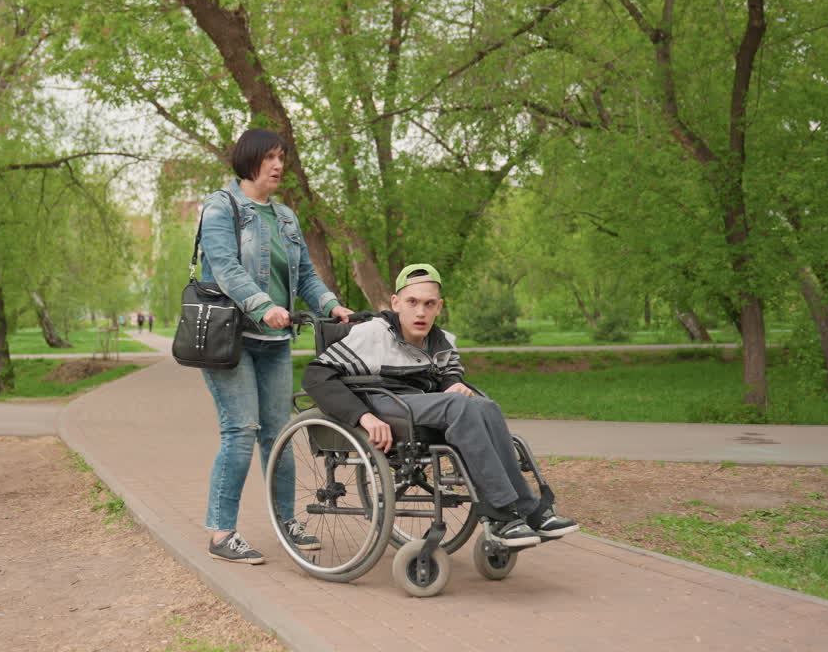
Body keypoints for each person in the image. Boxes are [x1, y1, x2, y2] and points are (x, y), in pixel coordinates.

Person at [302, 264, 578, 548]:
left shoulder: (440, 340)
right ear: (396, 303)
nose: (420, 312)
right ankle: (502, 514)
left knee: (485, 406)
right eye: (412, 302)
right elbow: (315, 375)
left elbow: (449, 376)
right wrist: (363, 417)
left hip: (420, 403)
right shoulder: (372, 334)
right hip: (380, 401)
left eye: (429, 304)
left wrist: (453, 385)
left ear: (439, 307)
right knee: (461, 407)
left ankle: (528, 510)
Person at [198, 128, 353, 565]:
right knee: (241, 432)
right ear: (248, 160)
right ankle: (221, 532)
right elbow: (225, 268)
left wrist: (330, 304)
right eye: (269, 157)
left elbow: (303, 274)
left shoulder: (285, 216)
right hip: (230, 340)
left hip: (276, 341)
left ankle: (287, 522)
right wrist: (262, 305)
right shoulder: (220, 207)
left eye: (282, 157)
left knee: (279, 435)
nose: (278, 165)